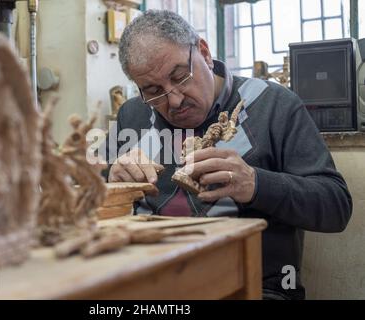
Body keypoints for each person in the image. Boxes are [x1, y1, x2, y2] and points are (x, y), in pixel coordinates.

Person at [103, 10, 352, 299]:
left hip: (256, 286)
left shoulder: (273, 105)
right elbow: (94, 201)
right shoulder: (133, 115)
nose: (174, 99)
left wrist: (255, 184)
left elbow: (336, 207)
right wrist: (112, 184)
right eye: (154, 91)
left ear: (205, 53)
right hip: (153, 283)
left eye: (180, 77)